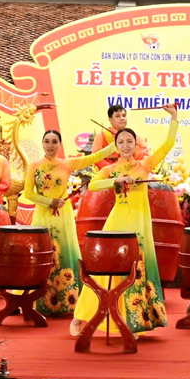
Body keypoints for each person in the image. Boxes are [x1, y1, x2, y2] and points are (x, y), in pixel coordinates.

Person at [71, 104, 178, 337]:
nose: (126, 145)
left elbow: (168, 144)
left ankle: (133, 321)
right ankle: (81, 315)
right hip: (117, 223)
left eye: (130, 141)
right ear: (116, 145)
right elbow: (94, 185)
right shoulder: (110, 170)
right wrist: (116, 181)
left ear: (136, 145)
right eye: (122, 142)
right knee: (105, 271)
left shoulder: (144, 165)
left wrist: (173, 117)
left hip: (140, 224)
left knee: (137, 270)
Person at [23, 129, 116, 317]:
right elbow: (28, 193)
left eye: (54, 142)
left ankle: (69, 299)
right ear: (42, 144)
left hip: (62, 215)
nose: (50, 146)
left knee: (65, 251)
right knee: (43, 252)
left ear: (60, 145)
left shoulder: (67, 164)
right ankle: (39, 301)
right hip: (43, 214)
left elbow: (95, 157)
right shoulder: (34, 166)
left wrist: (116, 143)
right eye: (47, 141)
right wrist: (49, 202)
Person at [91, 103, 148, 169]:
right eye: (117, 116)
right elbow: (96, 158)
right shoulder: (101, 135)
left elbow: (143, 156)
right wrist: (114, 170)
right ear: (110, 119)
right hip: (108, 171)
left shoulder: (134, 136)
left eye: (124, 115)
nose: (122, 118)